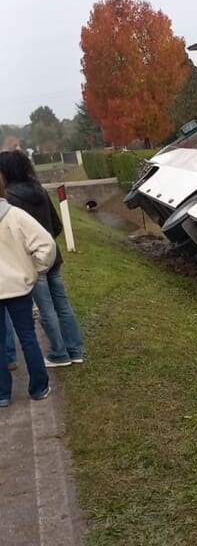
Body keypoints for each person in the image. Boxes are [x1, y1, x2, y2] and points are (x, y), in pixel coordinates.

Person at [0, 151, 84, 366]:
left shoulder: (9, 198)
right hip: (53, 257)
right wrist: (47, 249)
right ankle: (75, 350)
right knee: (63, 304)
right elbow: (56, 225)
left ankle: (59, 353)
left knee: (45, 309)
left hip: (32, 262)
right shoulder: (39, 189)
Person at [0, 178, 54, 407]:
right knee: (28, 337)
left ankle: (2, 394)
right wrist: (35, 269)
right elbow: (46, 244)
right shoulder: (15, 216)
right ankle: (39, 387)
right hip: (18, 287)